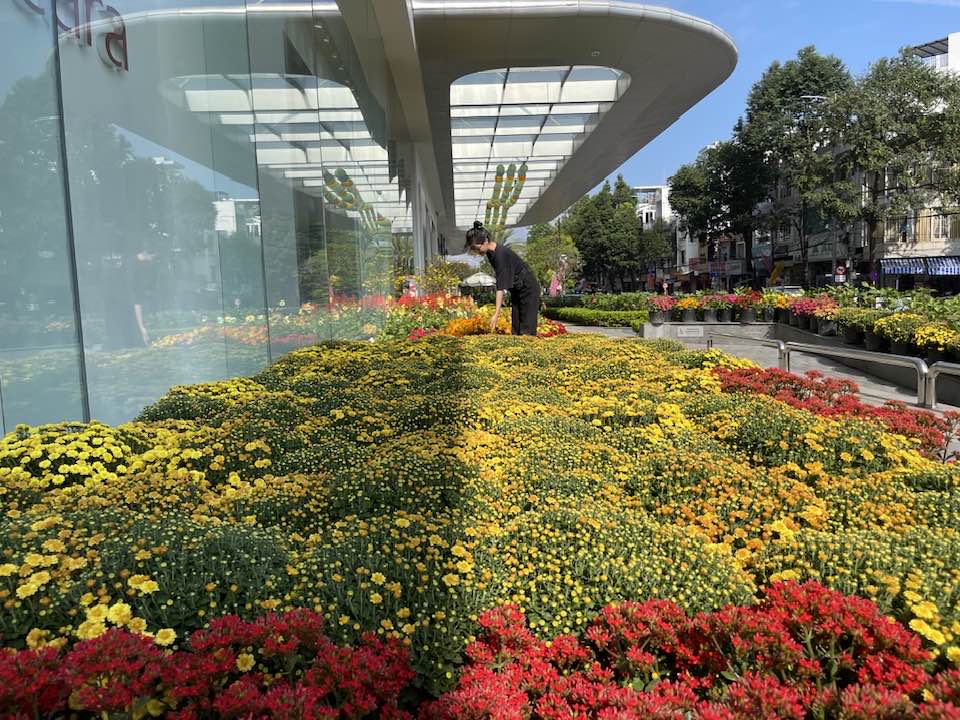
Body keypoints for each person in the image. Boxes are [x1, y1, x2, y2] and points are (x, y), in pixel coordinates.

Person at [465, 221, 540, 335]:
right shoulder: (491, 253)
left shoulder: (500, 255)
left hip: (528, 288)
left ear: (485, 241)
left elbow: (500, 287)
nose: (476, 252)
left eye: (476, 248)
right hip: (517, 289)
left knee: (527, 330)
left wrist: (496, 313)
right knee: (516, 329)